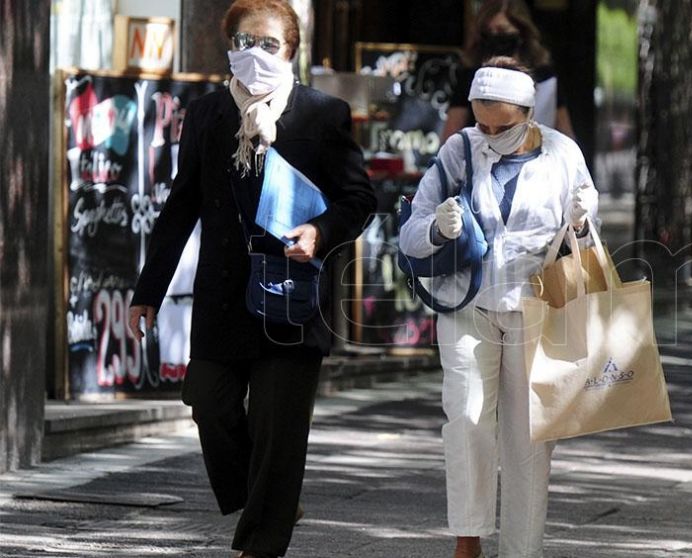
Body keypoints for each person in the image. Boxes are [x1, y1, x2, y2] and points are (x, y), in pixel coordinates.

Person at [127, 1, 375, 556]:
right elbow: (181, 204)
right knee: (209, 403)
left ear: (291, 49)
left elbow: (360, 198)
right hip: (221, 297)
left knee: (277, 430)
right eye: (242, 42)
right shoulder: (209, 114)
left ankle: (261, 542)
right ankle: (274, 499)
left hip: (292, 293)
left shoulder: (322, 114)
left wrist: (319, 229)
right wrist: (148, 292)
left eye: (267, 44)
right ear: (228, 48)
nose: (254, 54)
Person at [399, 57, 598, 558]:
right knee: (465, 419)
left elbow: (588, 238)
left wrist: (579, 222)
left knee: (530, 438)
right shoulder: (458, 150)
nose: (490, 135)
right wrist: (436, 229)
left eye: (502, 125)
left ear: (530, 113)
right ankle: (468, 539)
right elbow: (409, 232)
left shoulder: (562, 154)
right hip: (468, 303)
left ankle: (521, 549)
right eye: (481, 123)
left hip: (537, 307)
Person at [442, 0, 575, 142]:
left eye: (502, 30)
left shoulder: (545, 77)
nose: (495, 37)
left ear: (521, 31)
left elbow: (565, 133)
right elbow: (451, 134)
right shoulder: (475, 78)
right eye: (488, 33)